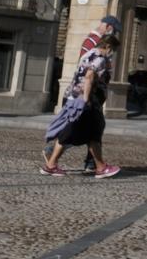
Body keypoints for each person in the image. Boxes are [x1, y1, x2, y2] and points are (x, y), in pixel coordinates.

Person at [46, 15, 122, 173]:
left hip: (80, 96)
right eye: (113, 50)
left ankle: (91, 164)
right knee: (91, 130)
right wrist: (86, 100)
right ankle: (96, 166)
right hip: (86, 98)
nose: (112, 54)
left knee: (86, 130)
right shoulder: (98, 53)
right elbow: (89, 75)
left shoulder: (91, 51)